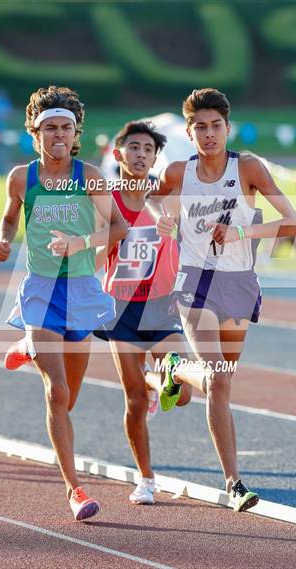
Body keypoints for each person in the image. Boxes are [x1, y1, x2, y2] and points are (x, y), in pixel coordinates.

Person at [147, 88, 296, 512]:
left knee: (224, 382)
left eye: (216, 126)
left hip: (239, 283)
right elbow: (153, 195)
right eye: (201, 127)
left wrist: (242, 232)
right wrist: (161, 215)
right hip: (195, 283)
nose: (209, 133)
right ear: (189, 132)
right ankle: (234, 483)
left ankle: (176, 368)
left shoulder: (248, 167)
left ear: (227, 128)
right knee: (216, 378)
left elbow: (292, 222)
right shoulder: (180, 171)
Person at [0, 85, 127, 520]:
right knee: (57, 393)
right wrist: (2, 239)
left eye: (65, 128)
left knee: (71, 399)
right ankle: (75, 489)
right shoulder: (21, 177)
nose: (57, 135)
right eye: (49, 127)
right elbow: (11, 215)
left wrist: (81, 242)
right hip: (41, 291)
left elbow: (118, 228)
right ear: (36, 133)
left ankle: (27, 348)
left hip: (82, 290)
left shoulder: (90, 176)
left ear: (76, 134)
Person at [93, 120, 192, 505]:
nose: (140, 155)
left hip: (161, 304)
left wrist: (174, 229)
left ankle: (156, 378)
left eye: (147, 150)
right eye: (133, 148)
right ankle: (146, 480)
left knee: (181, 394)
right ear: (118, 154)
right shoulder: (107, 200)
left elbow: (191, 237)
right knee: (134, 399)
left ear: (155, 157)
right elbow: (97, 254)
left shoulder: (166, 198)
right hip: (120, 307)